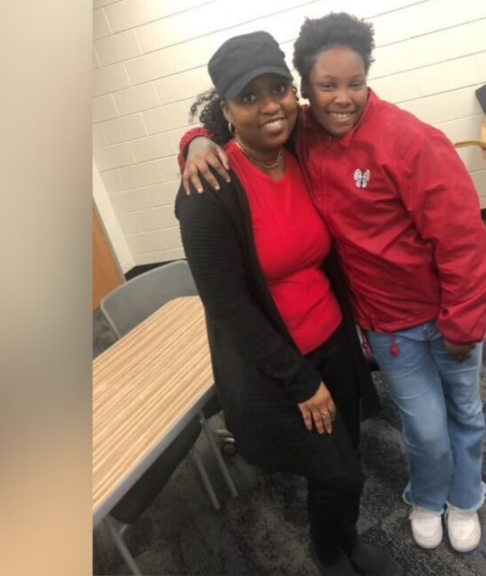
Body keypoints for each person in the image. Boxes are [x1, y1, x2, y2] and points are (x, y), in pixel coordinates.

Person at [178, 14, 486, 554]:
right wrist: (196, 141)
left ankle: (465, 497)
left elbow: (465, 241)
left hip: (447, 317)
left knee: (465, 413)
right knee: (423, 427)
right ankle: (425, 495)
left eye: (355, 82)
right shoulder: (304, 134)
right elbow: (249, 122)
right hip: (387, 324)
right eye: (326, 86)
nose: (341, 98)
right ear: (308, 89)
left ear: (369, 76)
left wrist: (464, 324)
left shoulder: (409, 140)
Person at [174, 31, 404, 576]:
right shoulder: (209, 190)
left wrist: (192, 136)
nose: (270, 105)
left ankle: (344, 540)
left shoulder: (299, 145)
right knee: (337, 472)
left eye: (278, 89)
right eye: (249, 97)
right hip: (278, 365)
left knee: (349, 454)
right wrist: (301, 382)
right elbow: (229, 307)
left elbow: (348, 105)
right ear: (224, 110)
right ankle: (329, 556)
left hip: (334, 341)